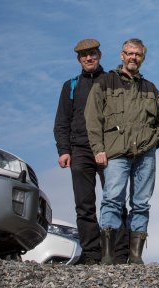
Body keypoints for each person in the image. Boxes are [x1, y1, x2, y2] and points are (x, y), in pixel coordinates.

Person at [85, 38, 159, 265]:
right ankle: (108, 256)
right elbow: (93, 119)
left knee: (141, 203)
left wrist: (154, 141)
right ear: (122, 55)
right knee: (112, 200)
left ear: (142, 58)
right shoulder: (105, 83)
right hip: (115, 153)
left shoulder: (151, 88)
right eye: (129, 53)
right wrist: (98, 149)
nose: (133, 57)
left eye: (138, 54)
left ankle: (135, 256)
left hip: (145, 155)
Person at [53, 39, 127, 264]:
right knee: (84, 205)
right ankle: (92, 254)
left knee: (115, 201)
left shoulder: (113, 80)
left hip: (110, 149)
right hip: (80, 151)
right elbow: (62, 121)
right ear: (79, 59)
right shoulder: (71, 86)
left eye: (92, 54)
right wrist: (64, 150)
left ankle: (120, 254)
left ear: (99, 55)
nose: (88, 58)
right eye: (84, 55)